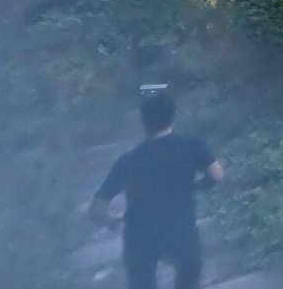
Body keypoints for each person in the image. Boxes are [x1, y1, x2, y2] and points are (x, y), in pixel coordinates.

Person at [88, 90, 223, 289]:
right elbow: (217, 175)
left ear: (143, 120)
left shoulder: (128, 160)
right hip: (180, 229)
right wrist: (193, 187)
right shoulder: (193, 145)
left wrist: (111, 220)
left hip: (140, 234)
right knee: (188, 278)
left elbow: (96, 209)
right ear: (172, 115)